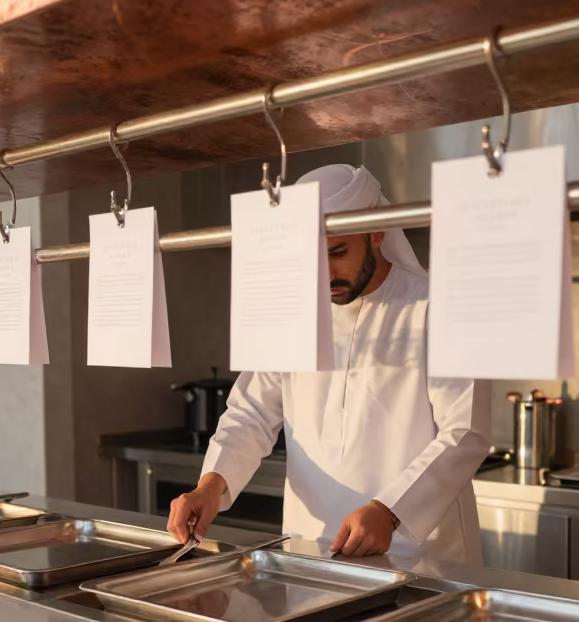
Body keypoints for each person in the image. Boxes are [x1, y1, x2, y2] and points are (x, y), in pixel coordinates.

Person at [167, 164, 491, 560]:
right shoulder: (293, 309)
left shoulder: (436, 306)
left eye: (337, 253)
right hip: (312, 547)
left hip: (417, 548)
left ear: (377, 232)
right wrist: (210, 485)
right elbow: (251, 412)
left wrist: (390, 511)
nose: (324, 273)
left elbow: (466, 430)